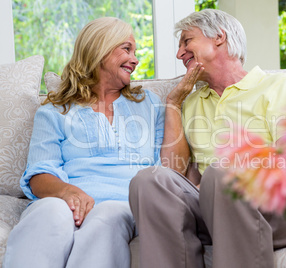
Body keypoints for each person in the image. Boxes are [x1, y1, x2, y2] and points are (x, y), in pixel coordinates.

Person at [129, 9, 286, 268]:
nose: (179, 53)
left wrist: (223, 178)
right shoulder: (192, 103)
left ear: (219, 37)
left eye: (187, 41)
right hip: (218, 208)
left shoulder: (279, 86)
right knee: (149, 181)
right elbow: (175, 174)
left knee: (222, 173)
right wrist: (174, 102)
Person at [3, 17, 165, 268]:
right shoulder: (55, 111)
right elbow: (39, 174)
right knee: (49, 212)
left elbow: (168, 168)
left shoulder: (149, 103)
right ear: (99, 49)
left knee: (107, 216)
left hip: (124, 202)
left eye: (135, 52)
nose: (135, 59)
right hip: (66, 199)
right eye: (126, 49)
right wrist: (68, 192)